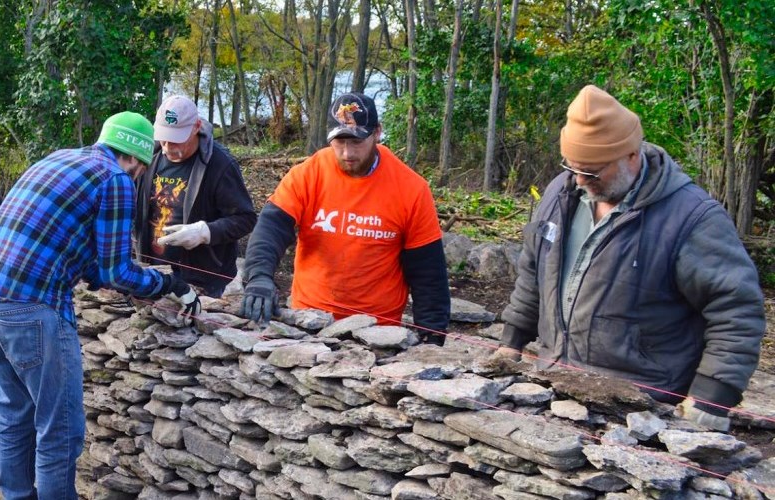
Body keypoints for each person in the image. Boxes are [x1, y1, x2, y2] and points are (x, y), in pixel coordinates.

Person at [496, 85, 764, 431]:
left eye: (592, 171)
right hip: (556, 387)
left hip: (643, 408)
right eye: (572, 167)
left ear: (631, 156)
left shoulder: (692, 219)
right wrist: (511, 341)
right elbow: (533, 273)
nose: (579, 180)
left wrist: (712, 395)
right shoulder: (559, 195)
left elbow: (736, 309)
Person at [0, 112, 201, 499]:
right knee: (60, 431)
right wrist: (169, 283)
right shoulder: (116, 179)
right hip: (31, 307)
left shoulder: (60, 158)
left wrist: (94, 272)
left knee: (15, 416)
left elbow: (64, 239)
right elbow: (117, 271)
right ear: (138, 159)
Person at [240, 92, 450, 344]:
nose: (348, 153)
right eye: (339, 143)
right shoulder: (308, 174)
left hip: (376, 330)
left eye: (357, 142)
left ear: (377, 133)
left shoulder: (411, 189)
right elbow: (271, 228)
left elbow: (428, 271)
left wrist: (432, 337)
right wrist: (259, 276)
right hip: (309, 318)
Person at [135, 95, 256, 297]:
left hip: (202, 278)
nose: (167, 146)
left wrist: (204, 232)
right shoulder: (149, 157)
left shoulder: (220, 164)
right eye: (163, 137)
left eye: (176, 140)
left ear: (196, 127)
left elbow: (246, 219)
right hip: (153, 271)